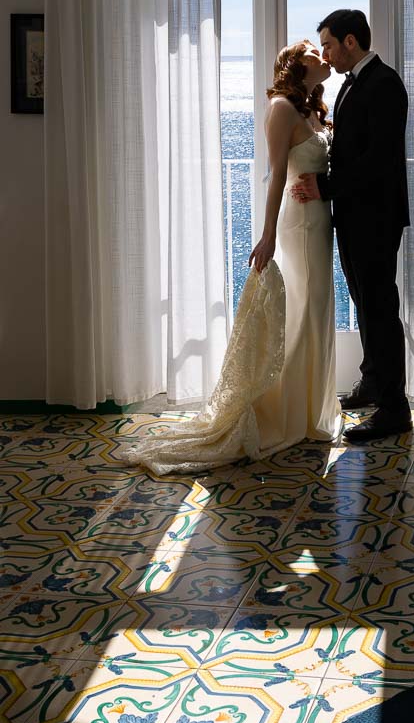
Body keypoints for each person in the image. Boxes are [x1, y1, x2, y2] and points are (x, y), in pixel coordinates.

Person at [120, 40, 340, 475]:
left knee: (316, 311)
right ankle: (286, 415)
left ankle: (312, 412)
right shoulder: (280, 108)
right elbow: (278, 174)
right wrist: (268, 234)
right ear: (296, 66)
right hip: (299, 225)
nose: (324, 56)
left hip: (321, 222)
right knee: (303, 313)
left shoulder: (313, 110)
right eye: (315, 52)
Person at [291, 9, 412, 443]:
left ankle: (395, 408)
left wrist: (324, 186)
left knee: (380, 309)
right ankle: (373, 382)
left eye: (327, 43)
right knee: (365, 304)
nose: (324, 52)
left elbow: (377, 161)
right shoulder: (349, 85)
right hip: (354, 217)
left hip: (377, 217)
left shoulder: (385, 83)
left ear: (349, 41)